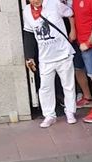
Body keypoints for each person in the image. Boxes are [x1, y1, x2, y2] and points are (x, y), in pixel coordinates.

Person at [22, 0, 78, 128]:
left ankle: (70, 112)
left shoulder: (54, 3)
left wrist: (72, 30)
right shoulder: (26, 11)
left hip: (63, 52)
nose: (35, 1)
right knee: (45, 87)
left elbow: (70, 13)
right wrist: (29, 56)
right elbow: (28, 33)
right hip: (45, 57)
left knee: (68, 85)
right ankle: (49, 115)